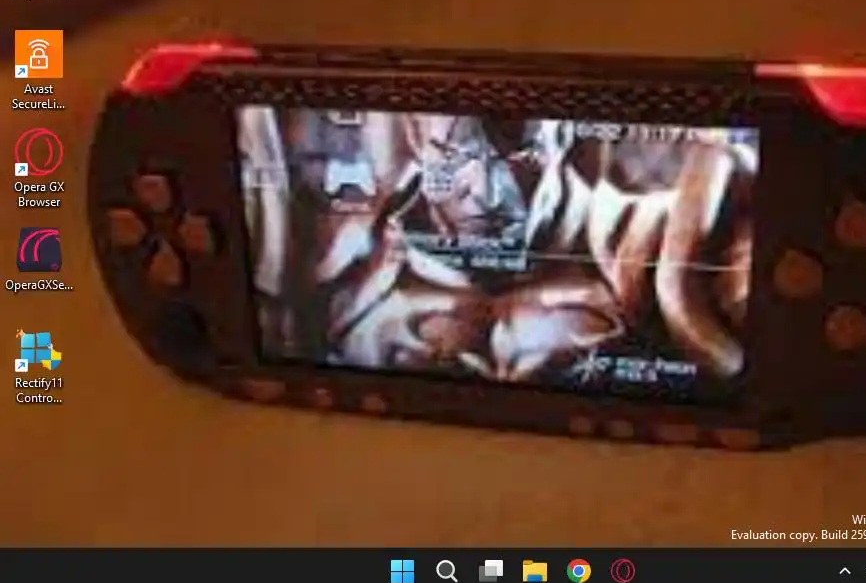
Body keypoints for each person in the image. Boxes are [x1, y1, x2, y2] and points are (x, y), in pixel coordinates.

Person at [241, 106, 755, 387]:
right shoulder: (332, 253)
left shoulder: (635, 231)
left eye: (517, 152)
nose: (489, 192)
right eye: (457, 156)